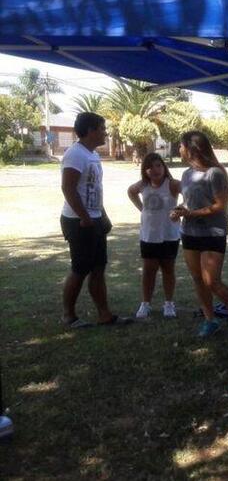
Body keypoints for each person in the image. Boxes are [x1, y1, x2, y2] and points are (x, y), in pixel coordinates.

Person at [170, 131, 228, 339]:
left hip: (213, 233)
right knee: (197, 279)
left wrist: (191, 213)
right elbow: (189, 202)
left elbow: (221, 205)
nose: (179, 149)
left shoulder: (215, 173)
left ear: (191, 148)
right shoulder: (186, 175)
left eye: (181, 145)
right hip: (190, 232)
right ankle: (210, 320)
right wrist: (180, 210)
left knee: (211, 281)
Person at [60, 112, 131, 328]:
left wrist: (102, 216)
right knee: (80, 269)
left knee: (99, 267)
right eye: (102, 128)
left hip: (94, 219)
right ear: (91, 131)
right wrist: (85, 218)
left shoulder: (93, 155)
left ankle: (105, 315)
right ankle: (69, 316)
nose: (105, 133)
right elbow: (68, 188)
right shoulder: (75, 154)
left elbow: (93, 190)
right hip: (78, 221)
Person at [128, 153, 181, 319]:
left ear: (164, 167)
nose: (155, 170)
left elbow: (192, 194)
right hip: (149, 235)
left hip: (169, 235)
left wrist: (180, 210)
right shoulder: (143, 185)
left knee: (168, 269)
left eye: (158, 165)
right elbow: (131, 192)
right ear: (145, 170)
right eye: (150, 167)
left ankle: (169, 304)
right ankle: (145, 304)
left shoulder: (172, 184)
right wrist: (141, 208)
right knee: (148, 270)